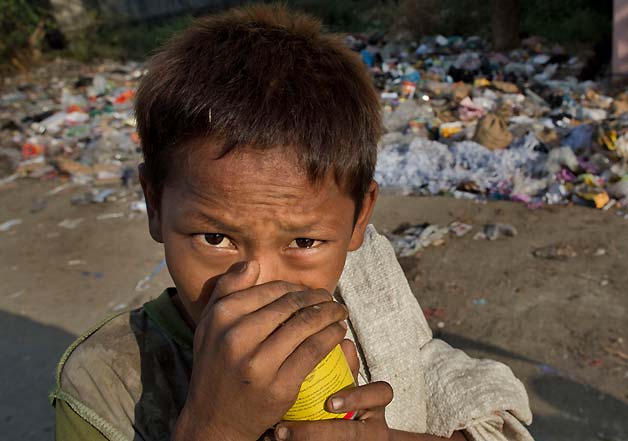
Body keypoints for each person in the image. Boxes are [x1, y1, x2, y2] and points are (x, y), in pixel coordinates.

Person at [51, 5, 533, 441]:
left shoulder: (367, 294)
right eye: (215, 238)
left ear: (360, 216)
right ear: (154, 206)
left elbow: (433, 372)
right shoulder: (107, 380)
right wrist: (214, 427)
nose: (259, 283)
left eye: (304, 241)